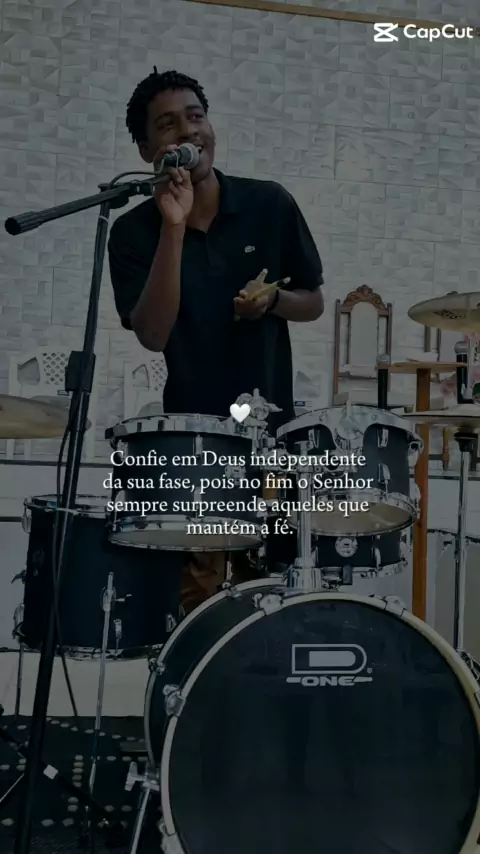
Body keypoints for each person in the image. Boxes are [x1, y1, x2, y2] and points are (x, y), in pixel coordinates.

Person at [108, 68, 325, 610]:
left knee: (268, 596)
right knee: (195, 597)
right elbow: (153, 334)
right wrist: (173, 227)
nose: (188, 131)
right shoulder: (132, 233)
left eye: (196, 117)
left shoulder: (268, 204)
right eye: (168, 124)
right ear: (147, 150)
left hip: (269, 435)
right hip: (191, 444)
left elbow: (314, 301)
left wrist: (272, 301)